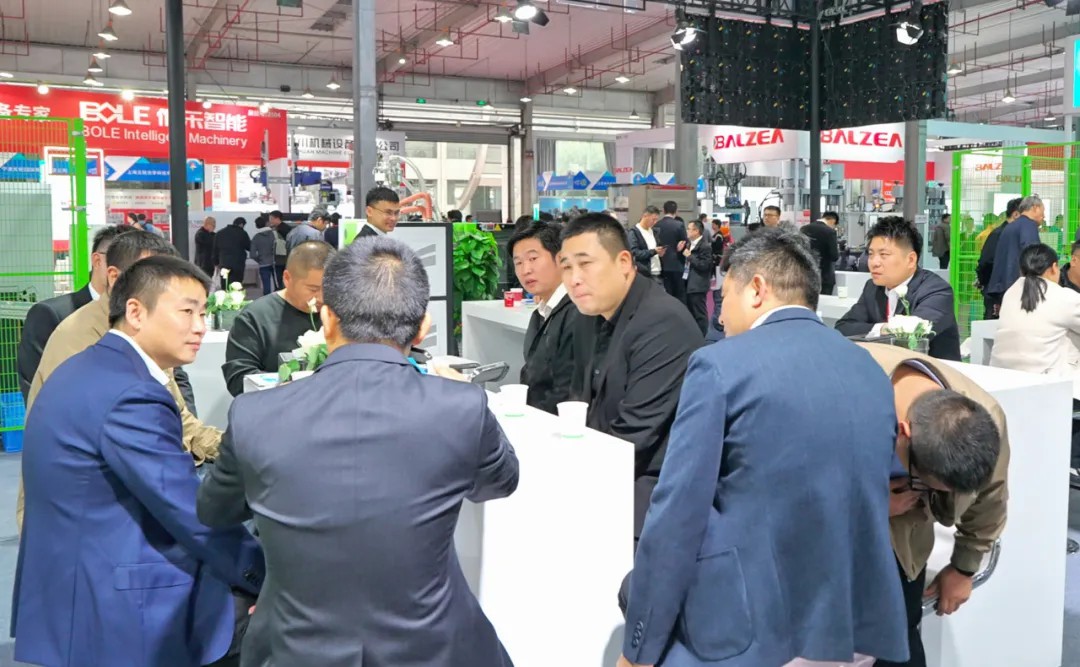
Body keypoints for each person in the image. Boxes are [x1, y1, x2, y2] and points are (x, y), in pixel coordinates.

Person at [198, 237, 517, 667]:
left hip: (294, 647)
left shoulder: (255, 414)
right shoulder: (461, 407)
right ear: (422, 327)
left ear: (327, 318)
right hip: (435, 648)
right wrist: (464, 397)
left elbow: (214, 510)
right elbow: (501, 482)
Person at [620, 228, 907, 667]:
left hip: (749, 626)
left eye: (725, 297)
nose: (720, 317)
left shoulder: (719, 366)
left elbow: (678, 513)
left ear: (756, 289)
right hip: (852, 623)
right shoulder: (867, 366)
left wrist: (638, 648)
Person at [14, 255, 264, 667]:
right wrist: (265, 577)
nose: (200, 327)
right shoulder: (132, 393)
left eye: (203, 313)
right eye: (187, 311)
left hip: (72, 579)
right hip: (118, 596)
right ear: (135, 312)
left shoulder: (85, 366)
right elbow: (191, 512)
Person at [21, 230, 222, 526]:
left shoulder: (143, 339)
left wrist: (232, 447)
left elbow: (179, 417)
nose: (199, 327)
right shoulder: (81, 340)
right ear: (114, 278)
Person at [858, 342, 1007, 667]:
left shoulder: (985, 419)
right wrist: (868, 505)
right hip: (832, 540)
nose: (929, 493)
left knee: (898, 639)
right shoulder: (847, 402)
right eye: (923, 483)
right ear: (903, 434)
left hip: (905, 541)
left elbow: (991, 495)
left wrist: (964, 567)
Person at [561, 213, 703, 541]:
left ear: (624, 262)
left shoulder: (662, 322)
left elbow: (633, 437)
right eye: (566, 267)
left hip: (651, 492)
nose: (574, 279)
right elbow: (578, 401)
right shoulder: (587, 315)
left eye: (585, 264)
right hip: (603, 470)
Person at [17, 224, 132, 400]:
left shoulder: (141, 316)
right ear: (97, 261)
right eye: (127, 262)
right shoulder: (51, 314)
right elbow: (34, 383)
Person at [835, 216, 961, 361]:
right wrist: (883, 329)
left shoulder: (937, 291)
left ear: (911, 260)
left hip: (930, 371)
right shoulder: (873, 287)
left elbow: (911, 337)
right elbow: (843, 328)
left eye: (884, 255)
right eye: (870, 254)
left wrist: (874, 330)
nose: (874, 262)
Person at [222, 240, 335, 396]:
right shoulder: (255, 317)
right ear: (287, 278)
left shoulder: (339, 312)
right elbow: (238, 378)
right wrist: (291, 388)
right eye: (313, 289)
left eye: (329, 288)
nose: (321, 297)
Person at [511, 221, 579, 414]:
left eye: (533, 258)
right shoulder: (540, 313)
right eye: (518, 263)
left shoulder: (578, 311)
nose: (525, 270)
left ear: (560, 259)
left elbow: (569, 387)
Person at [990, 243, 1080, 377]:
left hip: (1000, 374)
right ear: (1054, 268)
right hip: (1045, 380)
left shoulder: (1011, 292)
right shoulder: (1064, 297)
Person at [985, 195, 1045, 309]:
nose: (1044, 216)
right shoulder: (1029, 226)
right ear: (1035, 208)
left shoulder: (1010, 227)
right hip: (1019, 286)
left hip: (1002, 285)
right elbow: (1032, 256)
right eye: (1043, 211)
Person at [976, 199, 1022, 319]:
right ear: (1016, 214)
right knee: (993, 325)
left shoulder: (1016, 235)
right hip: (996, 293)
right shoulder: (999, 234)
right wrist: (984, 282)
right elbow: (986, 262)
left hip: (1012, 291)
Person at [683, 218, 714, 335]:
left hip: (698, 284)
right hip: (688, 282)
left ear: (696, 231)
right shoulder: (689, 244)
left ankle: (703, 336)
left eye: (689, 229)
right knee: (691, 312)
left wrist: (690, 257)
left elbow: (704, 265)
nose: (687, 231)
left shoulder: (705, 246)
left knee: (699, 313)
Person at [654, 200, 689, 303]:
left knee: (665, 294)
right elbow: (685, 243)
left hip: (661, 263)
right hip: (677, 263)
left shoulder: (657, 225)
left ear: (663, 210)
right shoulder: (679, 225)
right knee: (680, 293)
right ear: (676, 211)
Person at [801, 212, 840, 295]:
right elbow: (834, 256)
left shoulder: (804, 229)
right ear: (833, 221)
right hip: (825, 276)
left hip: (806, 275)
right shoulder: (830, 232)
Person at [627, 205, 664, 282]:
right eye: (653, 219)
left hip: (657, 271)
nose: (655, 222)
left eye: (656, 220)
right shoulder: (634, 232)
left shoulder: (654, 232)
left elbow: (657, 249)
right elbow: (634, 253)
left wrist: (660, 252)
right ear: (645, 216)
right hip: (644, 273)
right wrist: (653, 251)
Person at [214, 217, 251, 291]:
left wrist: (216, 262)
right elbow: (249, 246)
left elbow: (215, 249)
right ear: (241, 224)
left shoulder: (220, 233)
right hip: (238, 264)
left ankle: (226, 295)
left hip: (224, 263)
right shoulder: (242, 233)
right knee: (236, 284)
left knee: (225, 283)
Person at [250, 215, 277, 295]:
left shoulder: (256, 237)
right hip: (275, 262)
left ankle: (267, 300)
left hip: (263, 264)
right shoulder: (274, 234)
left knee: (266, 285)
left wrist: (259, 260)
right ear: (266, 223)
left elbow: (252, 254)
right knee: (277, 283)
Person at [268, 210, 291, 287]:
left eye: (271, 219)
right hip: (287, 257)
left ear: (277, 219)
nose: (270, 221)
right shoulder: (287, 227)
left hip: (280, 258)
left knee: (280, 278)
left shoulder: (279, 230)